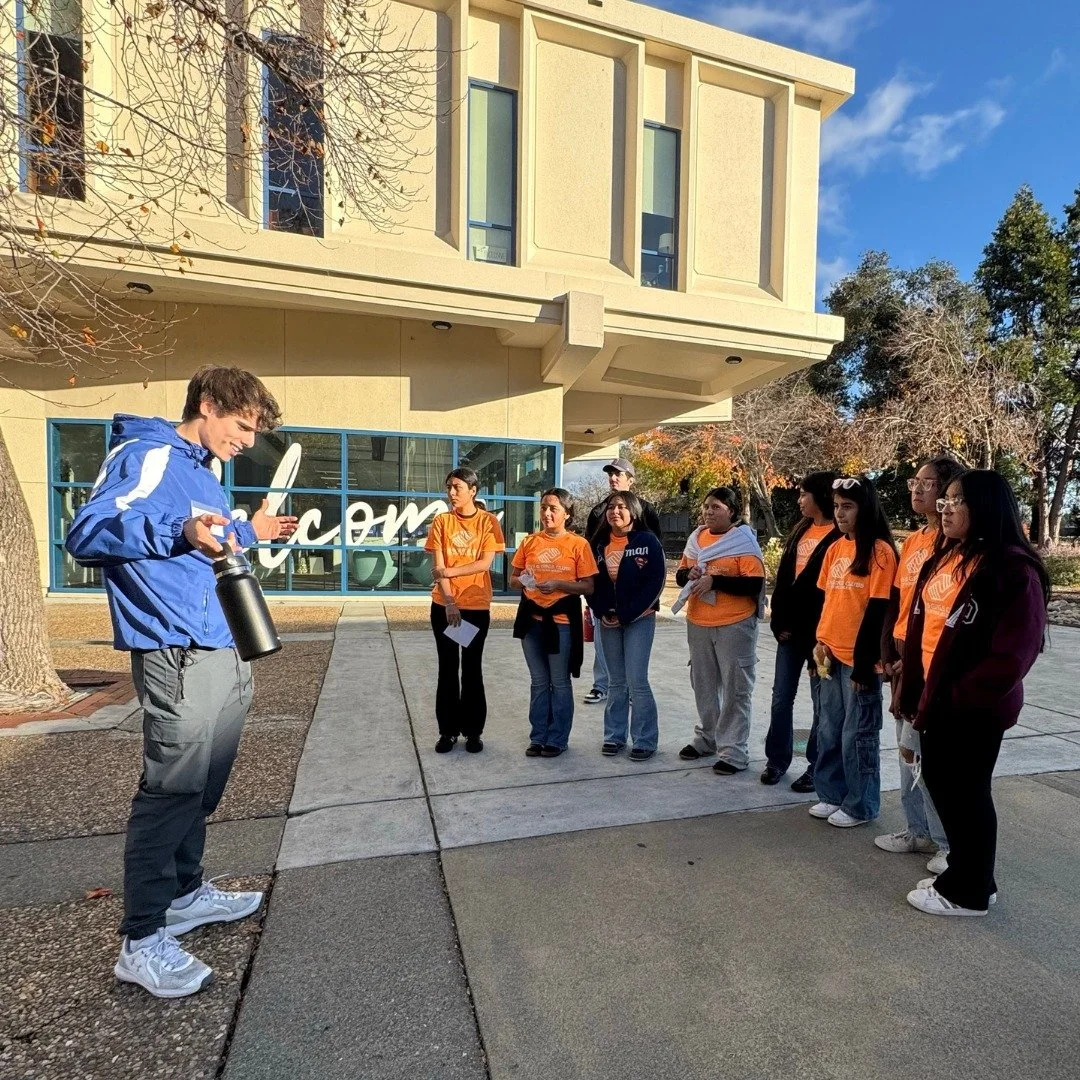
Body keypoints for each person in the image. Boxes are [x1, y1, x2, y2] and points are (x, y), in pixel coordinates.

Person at [65, 366, 298, 999]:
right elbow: (85, 534)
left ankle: (186, 893)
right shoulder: (147, 456)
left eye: (255, 431)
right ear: (207, 404)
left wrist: (251, 531)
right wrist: (175, 530)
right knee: (170, 789)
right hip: (177, 652)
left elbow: (207, 543)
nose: (249, 441)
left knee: (201, 786)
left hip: (222, 646)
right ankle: (140, 941)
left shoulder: (202, 470)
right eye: (243, 426)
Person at [899, 471, 1049, 917]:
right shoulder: (948, 555)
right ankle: (974, 876)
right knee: (949, 792)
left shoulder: (1012, 568)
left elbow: (1012, 657)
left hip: (968, 708)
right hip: (934, 698)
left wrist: (957, 699)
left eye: (956, 500)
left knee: (965, 796)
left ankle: (967, 893)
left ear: (986, 506)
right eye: (943, 500)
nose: (945, 508)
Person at [875, 457, 963, 870]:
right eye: (915, 481)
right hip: (902, 651)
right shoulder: (912, 541)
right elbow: (898, 599)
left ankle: (947, 841)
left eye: (928, 484)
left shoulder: (952, 542)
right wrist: (888, 651)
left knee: (925, 749)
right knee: (905, 749)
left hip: (930, 656)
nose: (917, 489)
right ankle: (918, 831)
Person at [808, 476, 897, 828]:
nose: (840, 513)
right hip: (829, 653)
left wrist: (864, 664)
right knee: (829, 728)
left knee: (857, 735)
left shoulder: (879, 552)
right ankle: (832, 794)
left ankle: (862, 804)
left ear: (865, 509)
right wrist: (818, 643)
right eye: (837, 506)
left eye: (848, 507)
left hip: (859, 660)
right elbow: (827, 601)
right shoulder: (835, 548)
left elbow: (877, 612)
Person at [675, 487, 765, 774]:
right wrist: (688, 575)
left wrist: (716, 581)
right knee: (702, 684)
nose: (709, 512)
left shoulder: (742, 541)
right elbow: (680, 575)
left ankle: (733, 751)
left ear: (732, 512)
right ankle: (707, 738)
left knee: (736, 687)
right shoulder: (696, 539)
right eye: (706, 506)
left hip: (735, 624)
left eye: (716, 507)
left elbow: (754, 584)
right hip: (699, 622)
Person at [761, 472, 841, 789]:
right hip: (789, 635)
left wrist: (816, 638)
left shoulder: (840, 536)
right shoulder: (800, 530)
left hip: (820, 639)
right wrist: (778, 622)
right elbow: (784, 582)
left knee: (821, 705)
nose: (799, 499)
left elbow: (828, 595)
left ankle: (816, 765)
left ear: (819, 496)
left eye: (804, 494)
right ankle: (776, 760)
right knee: (781, 698)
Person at [511, 489, 597, 757]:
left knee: (559, 682)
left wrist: (559, 584)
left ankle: (558, 738)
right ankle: (538, 737)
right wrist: (524, 579)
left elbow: (589, 586)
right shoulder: (529, 542)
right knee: (538, 681)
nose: (547, 513)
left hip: (561, 622)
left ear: (567, 514)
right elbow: (513, 579)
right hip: (531, 620)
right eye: (543, 508)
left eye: (554, 509)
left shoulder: (578, 544)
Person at [425, 468, 506, 754]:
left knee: (472, 669)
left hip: (475, 606)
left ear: (473, 490)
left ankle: (473, 732)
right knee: (447, 669)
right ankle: (447, 732)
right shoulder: (441, 522)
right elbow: (437, 567)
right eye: (448, 487)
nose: (451, 493)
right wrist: (449, 602)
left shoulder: (488, 522)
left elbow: (485, 563)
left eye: (457, 487)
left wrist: (450, 570)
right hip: (444, 606)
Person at [588, 491, 667, 759]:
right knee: (615, 681)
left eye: (622, 507)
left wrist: (626, 614)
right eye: (611, 507)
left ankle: (645, 740)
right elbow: (590, 583)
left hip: (639, 619)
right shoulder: (597, 543)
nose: (615, 511)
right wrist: (602, 611)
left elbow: (655, 583)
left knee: (637, 680)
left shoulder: (648, 541)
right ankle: (614, 736)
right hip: (606, 620)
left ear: (633, 511)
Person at [581, 457, 662, 707]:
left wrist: (641, 602)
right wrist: (594, 600)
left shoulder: (647, 510)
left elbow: (654, 556)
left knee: (635, 670)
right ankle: (600, 685)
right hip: (605, 597)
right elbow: (590, 553)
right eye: (611, 474)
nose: (614, 478)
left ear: (631, 480)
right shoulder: (598, 511)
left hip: (638, 603)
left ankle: (629, 693)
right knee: (604, 650)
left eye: (619, 474)